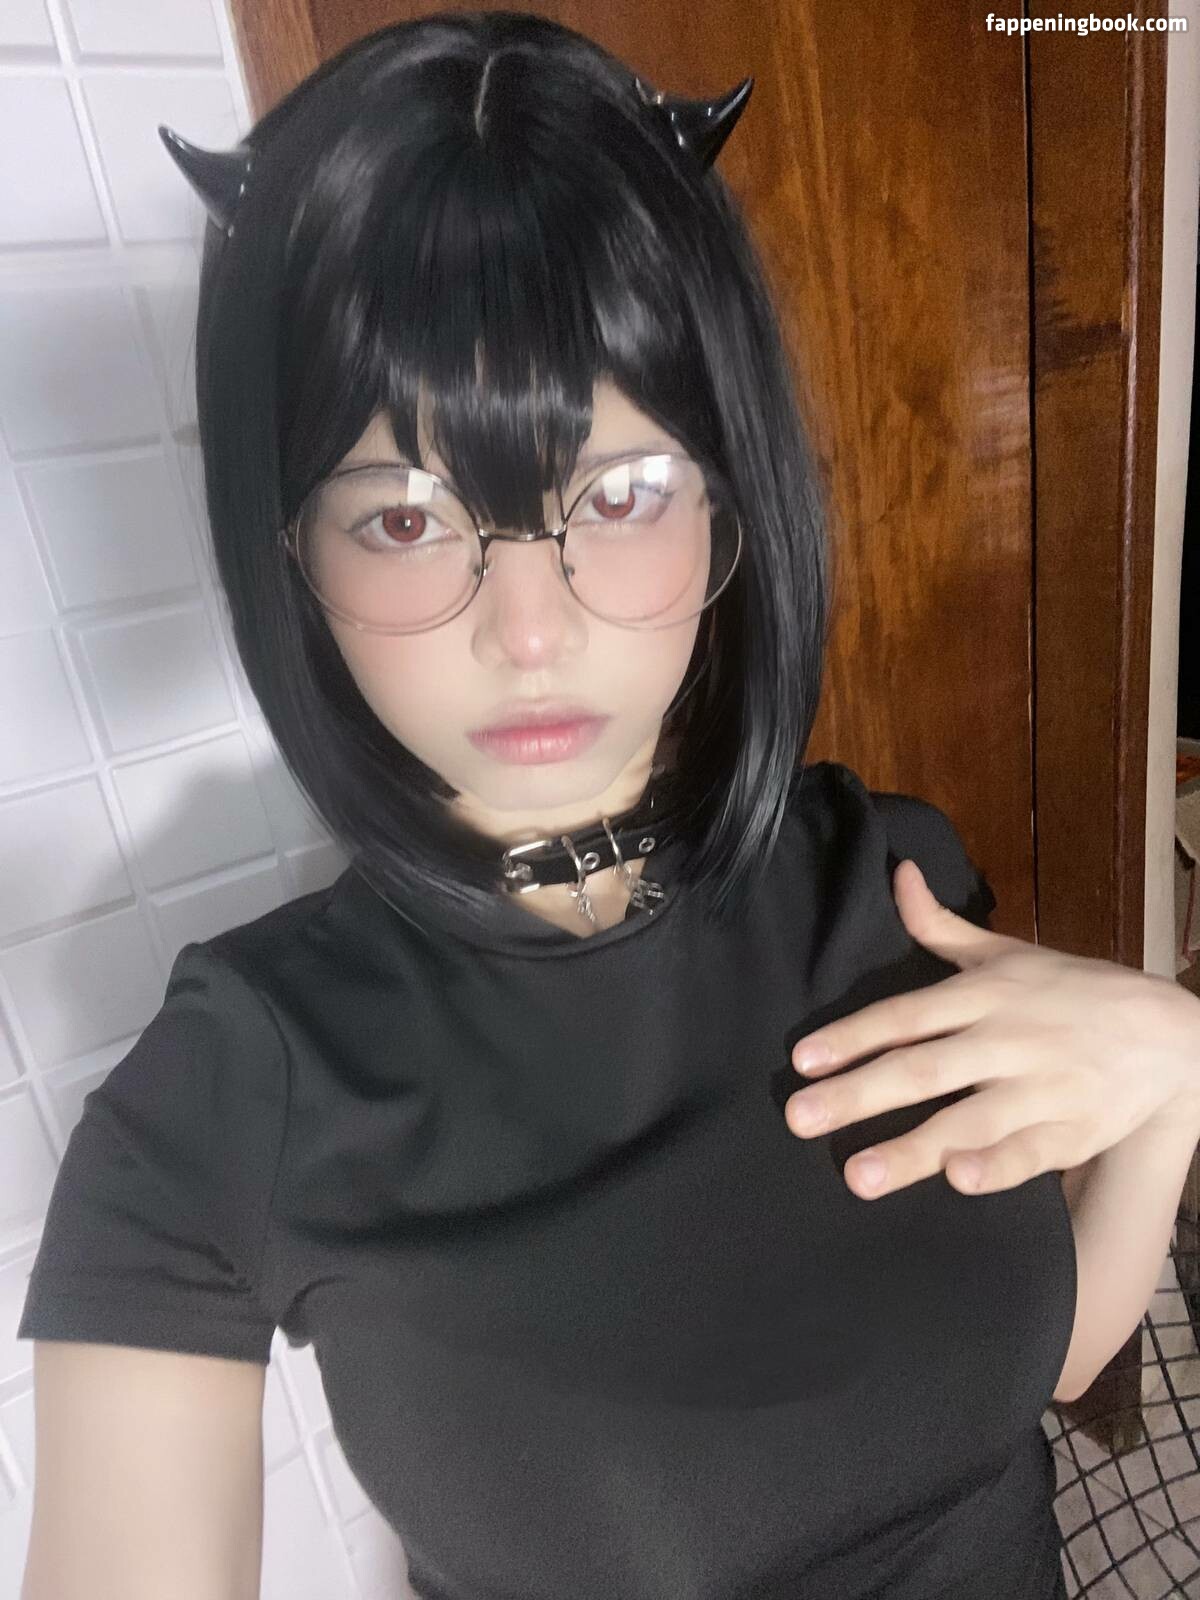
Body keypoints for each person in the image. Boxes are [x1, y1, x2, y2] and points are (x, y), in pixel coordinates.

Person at [16, 12, 1077, 1598]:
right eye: (403, 518)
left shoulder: (895, 880)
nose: (529, 632)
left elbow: (1033, 1378)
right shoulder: (227, 1100)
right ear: (289, 554)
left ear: (730, 497)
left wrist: (1173, 1078)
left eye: (621, 494)